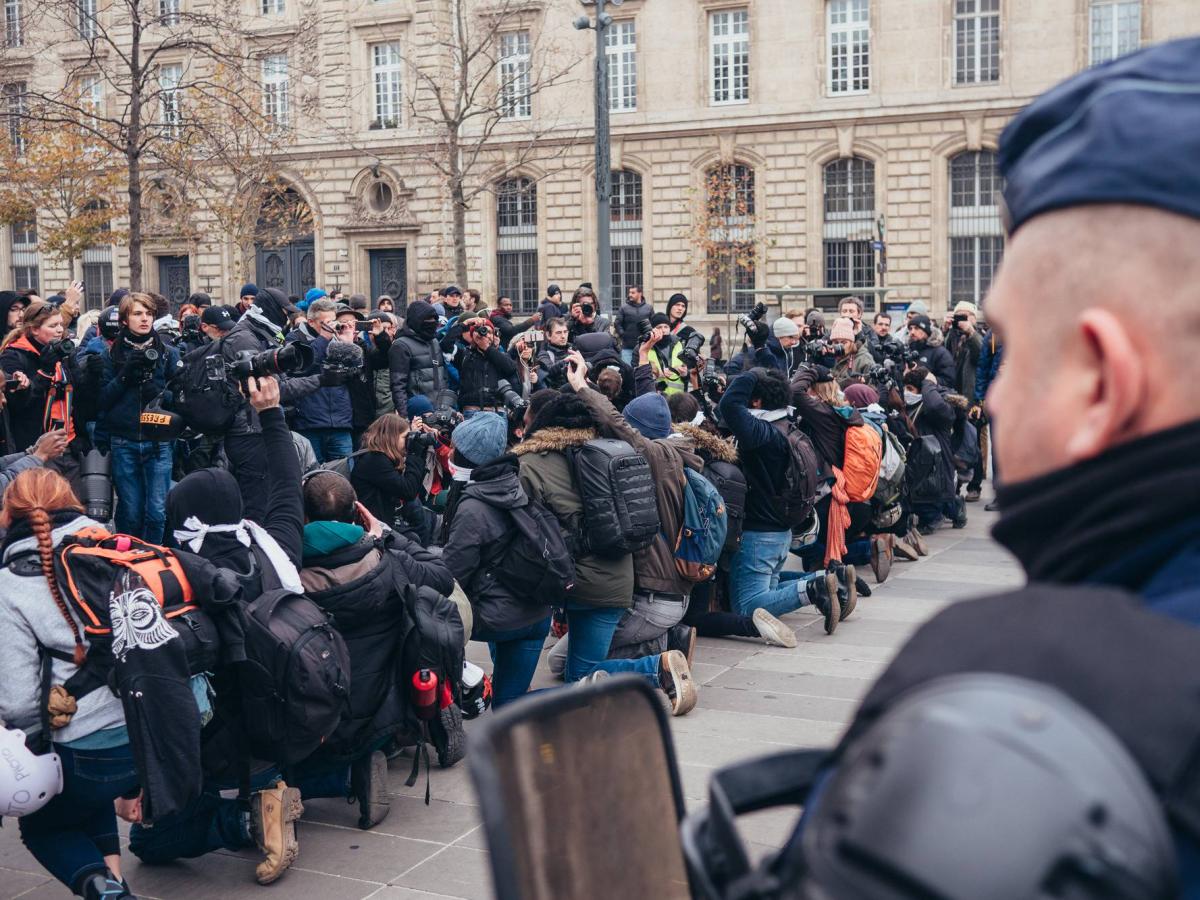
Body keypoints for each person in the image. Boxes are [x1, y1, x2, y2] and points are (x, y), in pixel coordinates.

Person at [512, 388, 698, 714]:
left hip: (578, 582)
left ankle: (657, 666)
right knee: (580, 669)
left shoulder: (534, 463)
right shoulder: (614, 454)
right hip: (619, 579)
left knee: (578, 677)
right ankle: (662, 657)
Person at [0, 469, 140, 900]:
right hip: (152, 734)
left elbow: (20, 703)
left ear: (7, 516)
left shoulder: (10, 584)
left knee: (44, 825)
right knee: (85, 795)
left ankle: (107, 893)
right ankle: (113, 881)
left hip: (86, 753)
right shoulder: (117, 549)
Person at [296, 470, 455, 829]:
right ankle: (367, 758)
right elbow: (442, 577)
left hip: (317, 711)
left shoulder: (288, 574)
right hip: (383, 704)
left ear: (302, 516)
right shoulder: (385, 560)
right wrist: (386, 534)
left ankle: (340, 777)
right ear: (357, 513)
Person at [567, 349, 702, 666]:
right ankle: (667, 638)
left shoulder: (656, 457)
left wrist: (581, 386)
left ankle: (662, 653)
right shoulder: (680, 452)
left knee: (569, 663)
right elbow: (640, 419)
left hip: (655, 597)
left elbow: (619, 425)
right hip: (677, 590)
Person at [718, 369, 844, 631]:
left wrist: (751, 374)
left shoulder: (762, 434)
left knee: (746, 606)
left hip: (759, 535)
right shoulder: (787, 426)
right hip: (780, 531)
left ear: (755, 401)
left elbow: (728, 405)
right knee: (770, 589)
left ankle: (814, 588)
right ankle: (831, 579)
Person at [441, 413, 551, 708]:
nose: (450, 454)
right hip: (536, 612)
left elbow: (452, 575)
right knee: (510, 701)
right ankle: (584, 692)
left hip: (499, 619)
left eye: (456, 449)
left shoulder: (473, 508)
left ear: (468, 458)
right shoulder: (517, 483)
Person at [220, 287, 321, 522]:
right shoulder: (245, 338)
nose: (287, 320)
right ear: (271, 311)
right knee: (257, 503)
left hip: (258, 426)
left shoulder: (263, 334)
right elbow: (275, 388)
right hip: (247, 431)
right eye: (284, 314)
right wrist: (322, 380)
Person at [96, 292, 183, 543]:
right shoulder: (109, 355)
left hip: (159, 442)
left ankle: (152, 561)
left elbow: (180, 398)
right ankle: (127, 560)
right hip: (124, 441)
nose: (144, 319)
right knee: (131, 512)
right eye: (137, 313)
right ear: (124, 320)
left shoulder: (167, 353)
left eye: (148, 313)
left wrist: (162, 395)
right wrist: (125, 375)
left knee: (157, 512)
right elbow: (102, 401)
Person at [0, 299, 75, 455]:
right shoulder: (13, 356)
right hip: (34, 446)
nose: (60, 330)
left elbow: (75, 395)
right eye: (53, 326)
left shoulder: (61, 351)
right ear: (34, 329)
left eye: (61, 324)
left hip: (67, 442)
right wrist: (45, 373)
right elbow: (17, 404)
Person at [903, 365, 966, 533]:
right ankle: (950, 506)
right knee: (930, 497)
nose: (906, 393)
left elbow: (934, 407)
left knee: (937, 498)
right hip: (921, 460)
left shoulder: (940, 404)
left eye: (910, 389)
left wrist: (928, 384)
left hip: (937, 460)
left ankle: (951, 509)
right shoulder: (911, 404)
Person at [349, 412, 434, 528]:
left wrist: (419, 452)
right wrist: (414, 454)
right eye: (406, 437)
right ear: (391, 437)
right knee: (415, 537)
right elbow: (408, 491)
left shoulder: (379, 457)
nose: (408, 441)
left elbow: (412, 489)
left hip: (379, 522)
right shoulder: (375, 460)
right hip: (370, 528)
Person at [388, 297, 455, 417]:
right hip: (417, 412)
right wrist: (404, 417)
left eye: (435, 318)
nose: (433, 322)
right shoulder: (401, 345)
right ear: (417, 320)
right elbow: (398, 386)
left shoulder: (434, 342)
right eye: (428, 319)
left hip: (440, 412)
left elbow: (442, 376)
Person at [451, 317, 519, 414]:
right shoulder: (464, 354)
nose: (486, 334)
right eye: (482, 331)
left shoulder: (500, 355)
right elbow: (445, 345)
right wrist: (465, 323)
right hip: (471, 411)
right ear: (473, 335)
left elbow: (511, 368)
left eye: (490, 332)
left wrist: (487, 348)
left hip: (497, 411)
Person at [905, 313, 955, 387]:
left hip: (931, 395)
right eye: (910, 328)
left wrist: (925, 379)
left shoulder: (940, 353)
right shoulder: (908, 350)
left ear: (926, 331)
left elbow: (948, 381)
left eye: (916, 328)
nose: (912, 332)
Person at [829, 316, 875, 382]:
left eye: (844, 342)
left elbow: (873, 389)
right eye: (836, 342)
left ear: (852, 342)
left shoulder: (864, 360)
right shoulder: (828, 358)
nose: (839, 346)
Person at [614, 285, 652, 366]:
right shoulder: (624, 308)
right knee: (628, 371)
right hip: (627, 347)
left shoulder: (649, 308)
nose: (630, 295)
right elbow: (617, 323)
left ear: (640, 293)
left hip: (645, 347)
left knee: (644, 371)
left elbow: (653, 324)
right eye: (629, 292)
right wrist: (623, 335)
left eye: (633, 292)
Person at [534, 316, 571, 386]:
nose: (563, 336)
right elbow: (549, 370)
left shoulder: (573, 348)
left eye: (565, 332)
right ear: (548, 335)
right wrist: (566, 361)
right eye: (558, 333)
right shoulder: (544, 353)